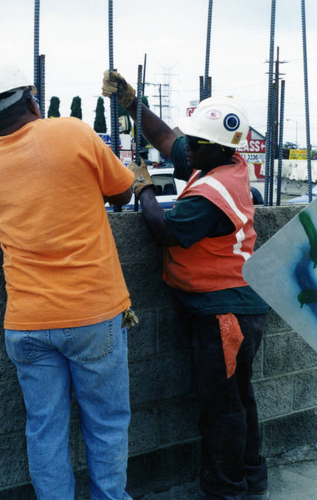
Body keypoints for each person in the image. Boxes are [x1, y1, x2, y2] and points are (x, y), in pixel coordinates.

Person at [102, 70, 270, 500]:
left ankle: (227, 491)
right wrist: (131, 104)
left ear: (214, 147)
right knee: (237, 399)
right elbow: (167, 140)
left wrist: (142, 189)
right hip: (232, 310)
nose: (186, 147)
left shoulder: (211, 195)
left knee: (222, 409)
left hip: (224, 315)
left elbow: (163, 231)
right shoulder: (220, 161)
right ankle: (251, 480)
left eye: (195, 142)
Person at [0, 63, 136, 500]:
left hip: (26, 321)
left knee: (44, 428)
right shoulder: (73, 132)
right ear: (33, 100)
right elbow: (123, 192)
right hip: (92, 312)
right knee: (107, 423)